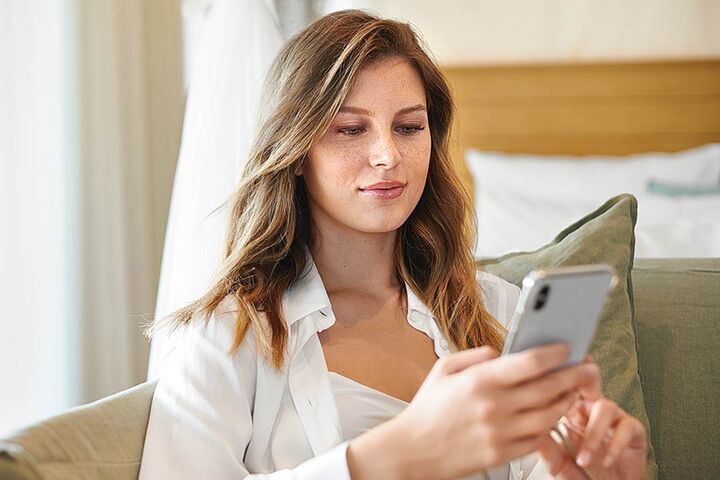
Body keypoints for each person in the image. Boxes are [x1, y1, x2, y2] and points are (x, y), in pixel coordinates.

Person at [139, 9, 648, 480]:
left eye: (408, 127)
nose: (387, 155)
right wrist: (398, 451)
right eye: (350, 129)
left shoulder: (495, 311)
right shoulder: (227, 335)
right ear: (295, 150)